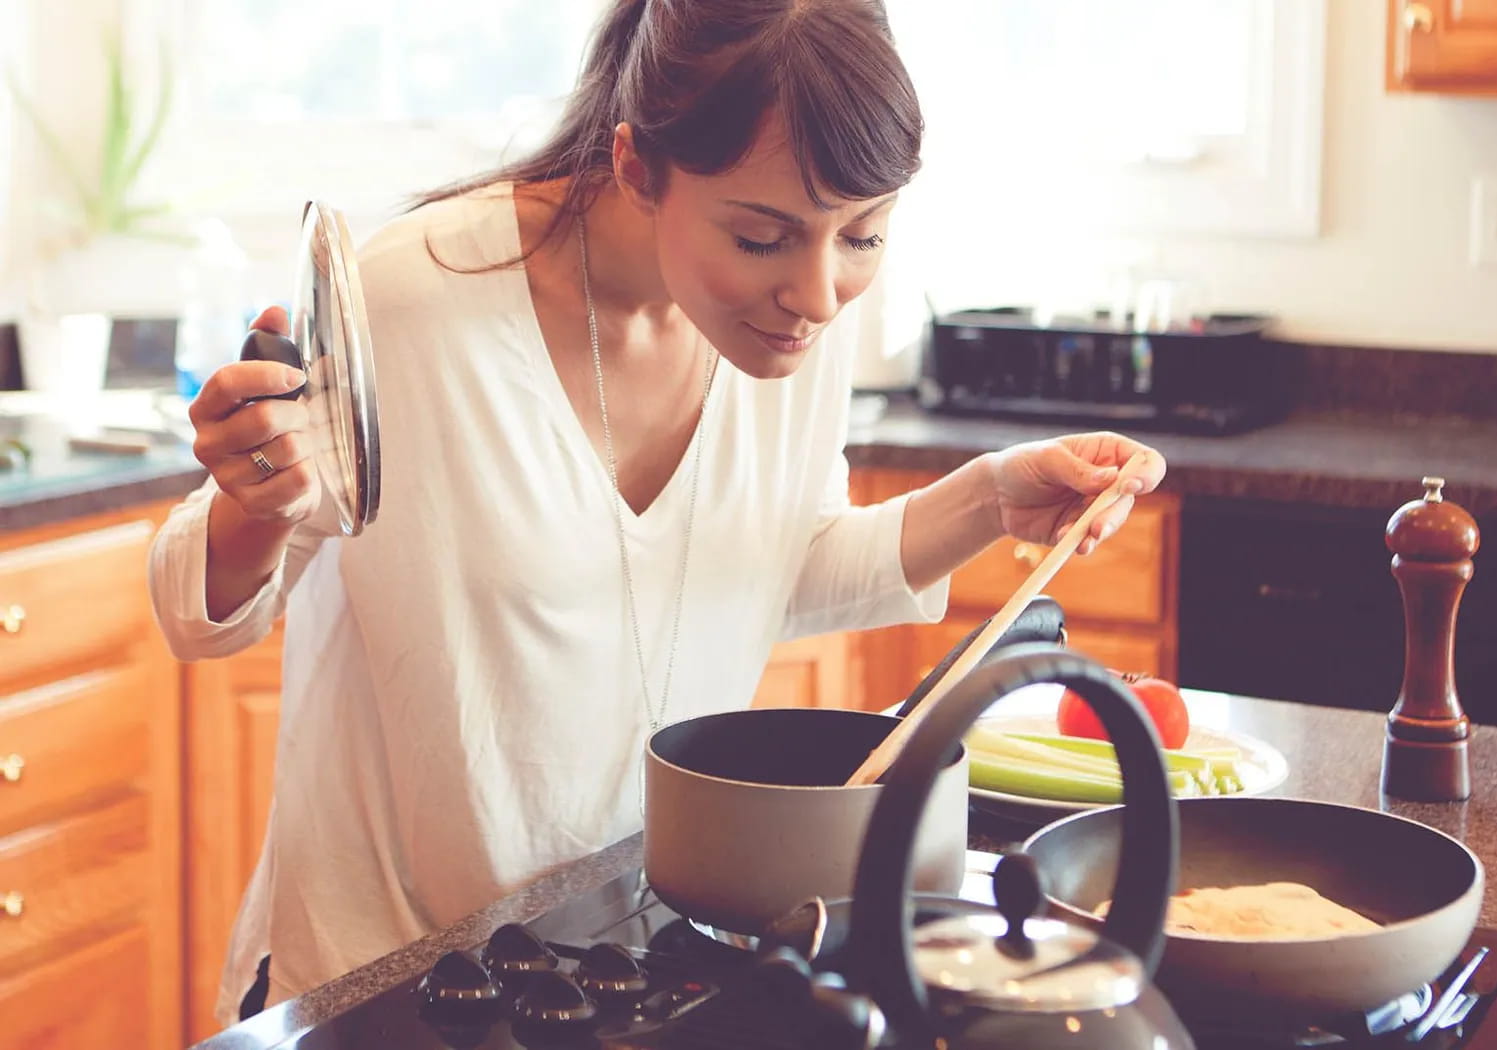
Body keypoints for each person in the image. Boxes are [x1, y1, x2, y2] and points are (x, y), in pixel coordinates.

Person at [148, 0, 1167, 1024]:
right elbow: (200, 612)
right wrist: (261, 503)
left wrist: (988, 497)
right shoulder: (413, 299)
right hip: (392, 976)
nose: (817, 291)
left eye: (863, 235)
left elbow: (766, 565)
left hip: (621, 958)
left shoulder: (790, 320)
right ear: (638, 168)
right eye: (762, 236)